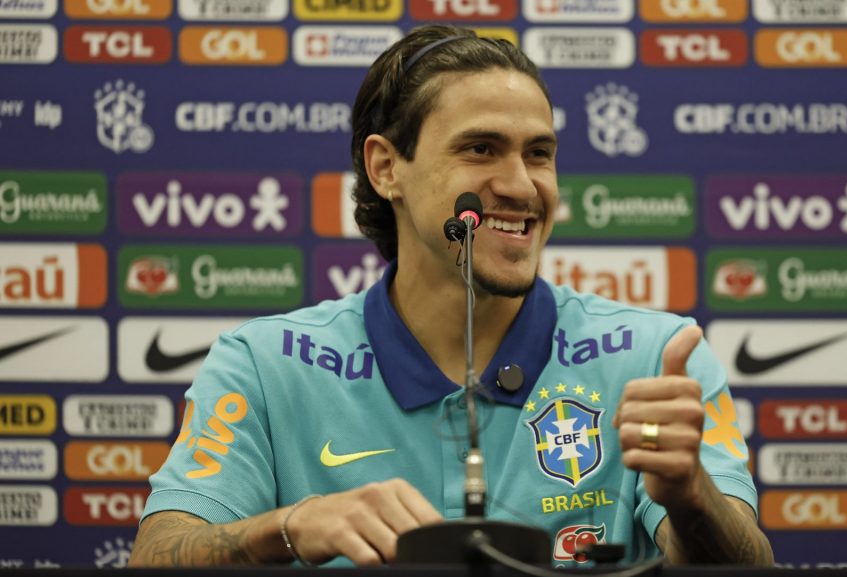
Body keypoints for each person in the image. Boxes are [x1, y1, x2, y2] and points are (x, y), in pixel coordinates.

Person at [128, 25, 773, 568]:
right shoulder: (267, 364)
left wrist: (691, 498)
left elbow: (750, 563)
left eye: (539, 153)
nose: (521, 186)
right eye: (481, 149)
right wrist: (292, 525)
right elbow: (158, 553)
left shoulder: (657, 357)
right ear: (386, 169)